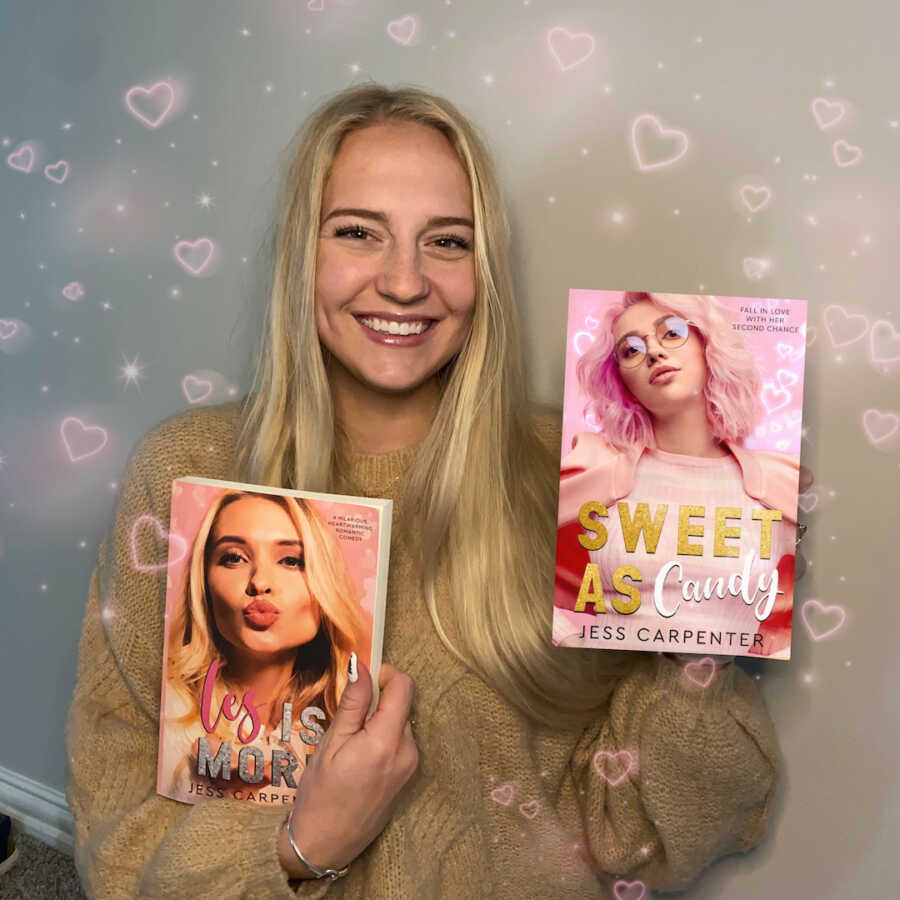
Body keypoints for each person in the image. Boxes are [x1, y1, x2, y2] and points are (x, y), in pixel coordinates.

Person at [66, 85, 791, 899]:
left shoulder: (589, 475)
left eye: (446, 241)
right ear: (301, 252)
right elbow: (120, 818)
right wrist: (303, 846)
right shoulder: (183, 468)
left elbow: (650, 838)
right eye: (357, 233)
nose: (404, 282)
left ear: (482, 269)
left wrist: (700, 625)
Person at [556, 292, 803, 659]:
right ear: (622, 383)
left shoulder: (779, 483)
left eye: (671, 333)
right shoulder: (592, 471)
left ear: (709, 347)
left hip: (720, 697)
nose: (653, 352)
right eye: (631, 350)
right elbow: (516, 574)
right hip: (606, 694)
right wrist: (569, 640)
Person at [159, 490, 368, 803]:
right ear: (203, 583)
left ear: (326, 582)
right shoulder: (170, 709)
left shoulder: (341, 714)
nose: (260, 582)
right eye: (233, 557)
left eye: (290, 560)